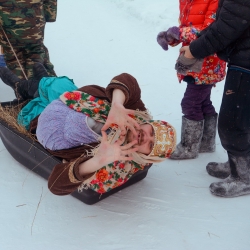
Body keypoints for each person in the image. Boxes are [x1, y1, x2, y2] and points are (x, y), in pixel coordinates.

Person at [0, 65, 176, 195]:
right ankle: (42, 77)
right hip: (70, 101)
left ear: (148, 155)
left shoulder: (121, 165)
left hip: (44, 123)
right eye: (152, 131)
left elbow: (56, 185)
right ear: (150, 124)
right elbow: (127, 80)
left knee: (30, 107)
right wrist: (117, 105)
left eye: (150, 145)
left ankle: (19, 85)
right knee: (57, 84)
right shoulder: (137, 114)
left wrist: (98, 160)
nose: (145, 137)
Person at [179, 0, 250, 197]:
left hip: (246, 63)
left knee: (233, 122)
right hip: (243, 58)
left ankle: (243, 177)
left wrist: (194, 49)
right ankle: (239, 165)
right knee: (243, 119)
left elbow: (227, 27)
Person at [157, 0, 226, 160]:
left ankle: (189, 147)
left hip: (208, 61)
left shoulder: (214, 1)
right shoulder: (187, 1)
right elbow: (187, 29)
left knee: (190, 103)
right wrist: (171, 37)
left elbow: (209, 31)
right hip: (192, 59)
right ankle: (206, 142)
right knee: (203, 102)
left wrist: (179, 33)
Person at [0, 0, 57, 80]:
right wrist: (49, 15)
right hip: (34, 16)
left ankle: (25, 87)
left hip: (6, 19)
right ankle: (48, 86)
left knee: (13, 56)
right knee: (36, 51)